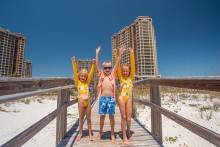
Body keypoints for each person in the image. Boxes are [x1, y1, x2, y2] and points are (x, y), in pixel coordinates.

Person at [95, 46, 123, 144]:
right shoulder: (102, 75)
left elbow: (117, 63)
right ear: (103, 69)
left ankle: (112, 134)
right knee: (102, 117)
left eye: (109, 67)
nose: (107, 69)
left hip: (111, 99)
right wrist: (97, 54)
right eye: (105, 68)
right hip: (103, 98)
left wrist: (120, 54)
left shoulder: (112, 75)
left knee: (111, 117)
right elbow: (97, 64)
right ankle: (101, 132)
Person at [71, 56, 95, 141]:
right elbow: (75, 72)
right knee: (81, 119)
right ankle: (80, 133)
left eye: (85, 76)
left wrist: (93, 64)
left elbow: (91, 73)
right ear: (79, 76)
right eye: (82, 76)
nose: (83, 77)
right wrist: (73, 63)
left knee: (89, 118)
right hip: (80, 103)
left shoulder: (87, 83)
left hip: (87, 102)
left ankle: (90, 133)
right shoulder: (78, 83)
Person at [115, 48, 135, 145]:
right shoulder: (121, 77)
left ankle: (128, 131)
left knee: (128, 118)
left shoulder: (131, 77)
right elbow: (118, 66)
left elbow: (133, 66)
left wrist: (131, 54)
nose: (125, 72)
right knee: (123, 117)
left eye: (126, 71)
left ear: (129, 71)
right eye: (123, 71)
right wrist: (118, 54)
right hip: (121, 98)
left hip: (129, 98)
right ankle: (124, 136)